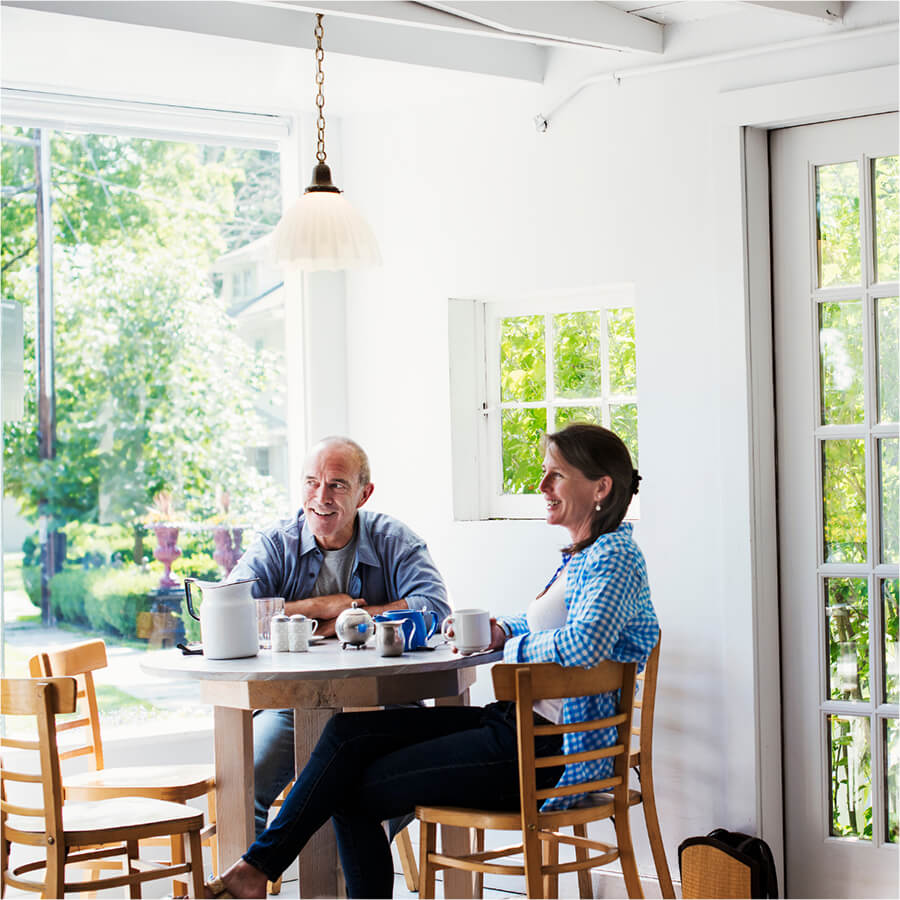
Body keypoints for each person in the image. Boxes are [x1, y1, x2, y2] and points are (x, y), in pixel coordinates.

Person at [205, 424, 658, 899]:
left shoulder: (615, 557)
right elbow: (543, 624)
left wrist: (508, 647)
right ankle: (255, 870)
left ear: (601, 487)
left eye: (555, 476)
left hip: (547, 752)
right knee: (343, 739)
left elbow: (584, 643)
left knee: (347, 787)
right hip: (518, 729)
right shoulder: (585, 557)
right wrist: (500, 627)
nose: (542, 487)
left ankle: (254, 871)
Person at [228, 436, 451, 837]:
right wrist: (318, 608)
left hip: (386, 703)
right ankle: (244, 883)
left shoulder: (393, 539)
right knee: (245, 783)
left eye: (337, 484)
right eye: (312, 483)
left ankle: (355, 884)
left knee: (389, 782)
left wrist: (355, 616)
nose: (321, 497)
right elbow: (234, 608)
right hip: (291, 706)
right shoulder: (276, 543)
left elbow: (433, 607)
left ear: (364, 494)